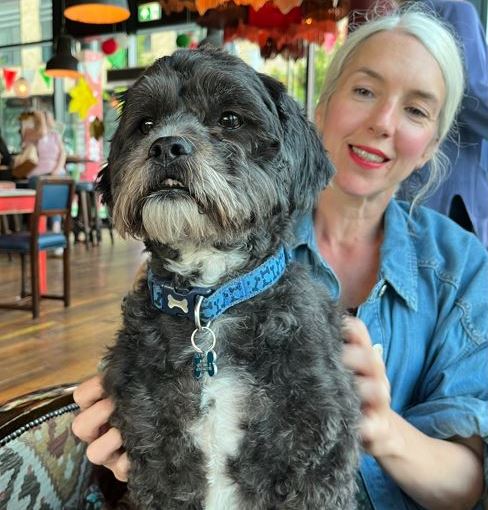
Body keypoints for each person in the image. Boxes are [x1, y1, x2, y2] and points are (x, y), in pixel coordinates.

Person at [71, 9, 488, 509]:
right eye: (364, 91)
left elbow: (469, 484)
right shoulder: (192, 260)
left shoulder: (460, 265)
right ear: (321, 106)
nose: (383, 121)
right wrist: (126, 464)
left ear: (431, 148)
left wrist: (381, 427)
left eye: (417, 110)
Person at [397, 0, 488, 249]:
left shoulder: (406, 13)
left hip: (413, 179)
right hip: (451, 185)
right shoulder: (457, 10)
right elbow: (473, 96)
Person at [20, 110, 66, 179]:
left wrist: (56, 171)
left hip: (57, 173)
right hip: (38, 173)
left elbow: (63, 154)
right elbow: (42, 133)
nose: (53, 120)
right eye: (49, 118)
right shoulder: (29, 132)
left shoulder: (55, 135)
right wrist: (41, 118)